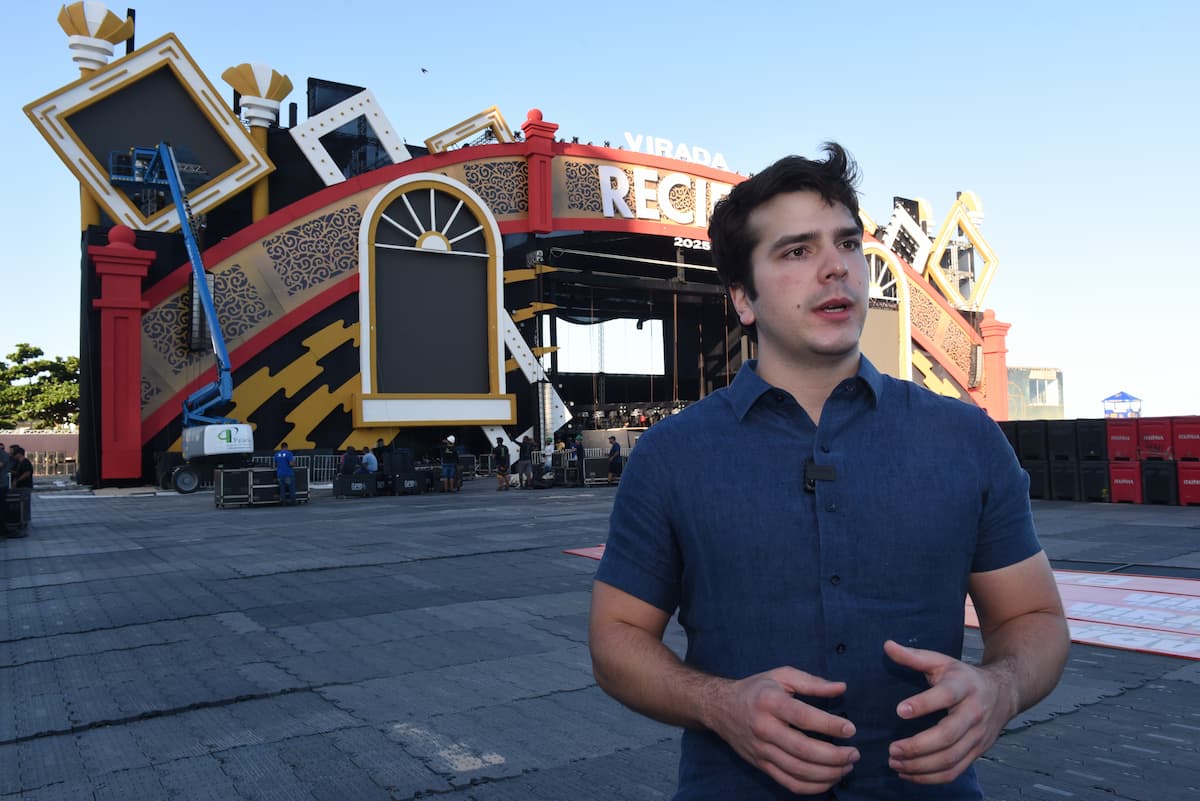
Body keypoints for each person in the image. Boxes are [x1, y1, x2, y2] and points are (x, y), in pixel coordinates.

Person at [588, 144, 1069, 801]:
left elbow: (1037, 616)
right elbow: (616, 638)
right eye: (796, 251)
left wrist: (1001, 686)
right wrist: (717, 702)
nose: (835, 267)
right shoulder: (672, 456)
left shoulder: (966, 439)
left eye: (847, 243)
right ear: (742, 299)